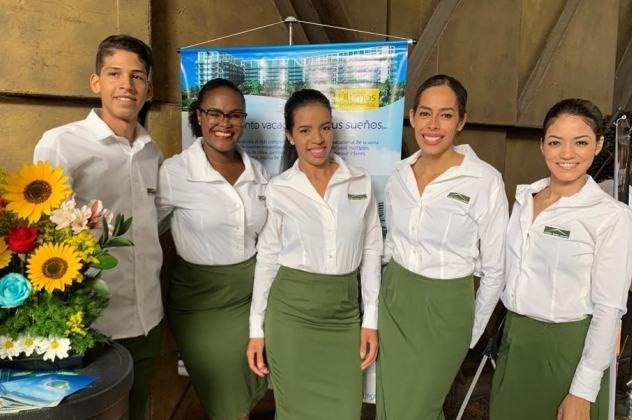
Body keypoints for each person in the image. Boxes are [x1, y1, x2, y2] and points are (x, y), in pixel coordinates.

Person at [33, 34, 162, 420]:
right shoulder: (62, 144)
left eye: (137, 76)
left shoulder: (152, 152)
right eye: (114, 73)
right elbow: (42, 232)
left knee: (138, 411)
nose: (127, 85)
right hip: (90, 323)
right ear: (96, 82)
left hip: (148, 318)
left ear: (149, 89)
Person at [490, 98, 632, 420]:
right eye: (556, 142)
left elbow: (610, 309)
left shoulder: (610, 216)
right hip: (514, 340)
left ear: (598, 145)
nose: (567, 154)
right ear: (542, 146)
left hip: (569, 350)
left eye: (580, 142)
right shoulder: (525, 199)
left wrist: (583, 390)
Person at [376, 74, 508, 420]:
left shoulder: (484, 180)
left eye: (446, 115)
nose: (433, 124)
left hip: (447, 308)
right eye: (425, 113)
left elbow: (496, 268)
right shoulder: (399, 174)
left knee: (417, 409)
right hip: (395, 298)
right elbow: (392, 244)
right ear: (412, 116)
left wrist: (471, 329)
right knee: (391, 403)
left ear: (461, 121)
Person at [246, 89, 382, 420]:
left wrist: (370, 320)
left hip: (344, 315)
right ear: (290, 136)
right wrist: (256, 329)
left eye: (325, 127)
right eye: (305, 130)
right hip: (291, 316)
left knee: (345, 412)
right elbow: (267, 260)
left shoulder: (359, 181)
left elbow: (371, 250)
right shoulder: (280, 189)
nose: (317, 139)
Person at [156, 78, 267, 420]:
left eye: (234, 115)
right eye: (214, 113)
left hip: (253, 296)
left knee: (252, 382)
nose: (224, 123)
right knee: (226, 397)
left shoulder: (258, 172)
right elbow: (147, 230)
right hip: (201, 303)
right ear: (199, 116)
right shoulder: (174, 173)